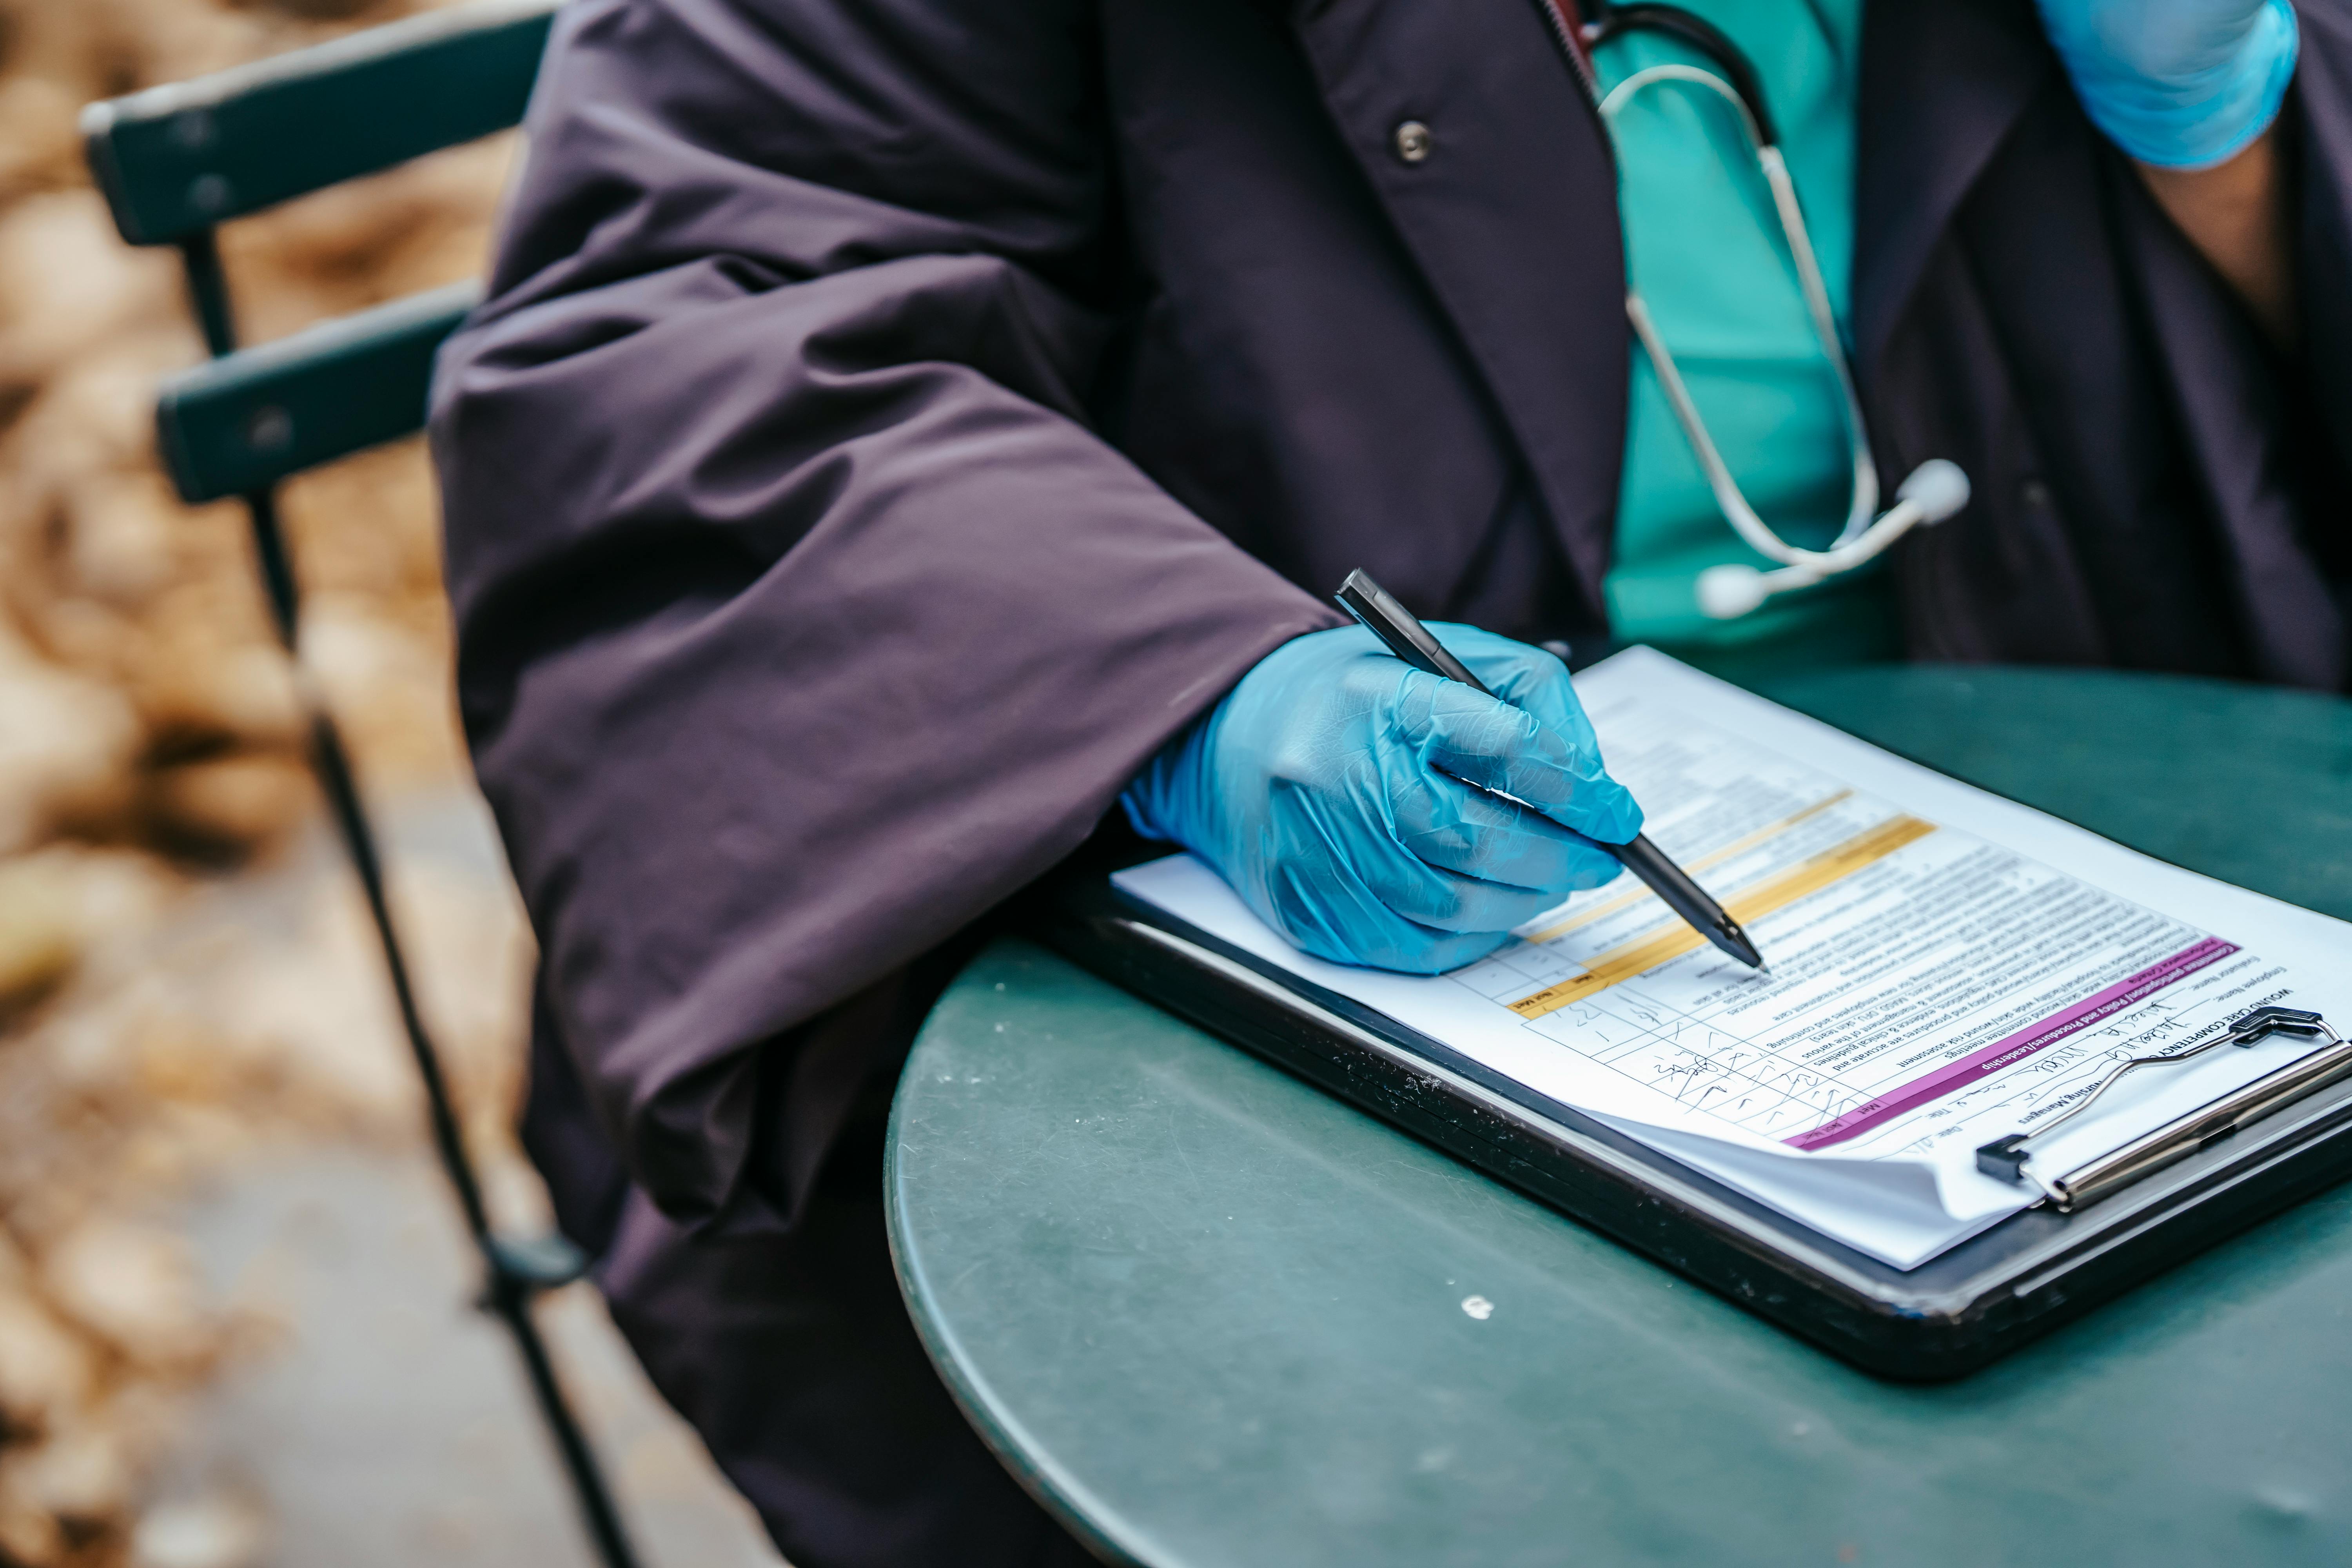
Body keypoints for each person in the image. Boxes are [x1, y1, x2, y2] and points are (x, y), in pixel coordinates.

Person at [429, 0, 2348, 1562]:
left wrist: (2240, 142)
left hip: (2091, 905)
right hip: (1235, 1079)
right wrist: (1195, 697)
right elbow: (670, 358)